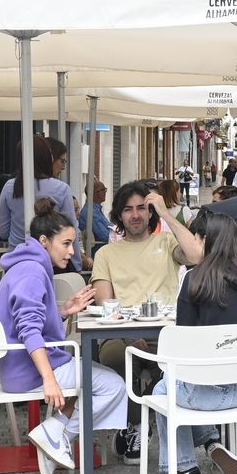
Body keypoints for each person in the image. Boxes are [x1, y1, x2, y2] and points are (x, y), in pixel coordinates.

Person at [0, 197, 127, 474]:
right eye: (66, 243)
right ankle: (56, 435)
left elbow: (28, 322)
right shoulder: (31, 272)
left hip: (18, 366)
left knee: (91, 375)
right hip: (28, 371)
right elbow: (29, 330)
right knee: (113, 385)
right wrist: (49, 379)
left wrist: (63, 312)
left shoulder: (27, 266)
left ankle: (55, 436)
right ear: (44, 241)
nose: (72, 251)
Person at [145, 211, 237, 474]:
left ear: (205, 240)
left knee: (164, 387)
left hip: (204, 395)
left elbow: (182, 347)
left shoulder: (194, 280)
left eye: (196, 238)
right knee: (177, 384)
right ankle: (213, 443)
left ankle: (184, 470)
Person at [91, 182, 207, 459]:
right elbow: (104, 303)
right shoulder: (106, 253)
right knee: (116, 360)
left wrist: (166, 214)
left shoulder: (166, 242)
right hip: (120, 334)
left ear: (150, 211)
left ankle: (168, 425)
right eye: (128, 209)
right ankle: (137, 425)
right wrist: (128, 336)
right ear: (119, 215)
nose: (135, 215)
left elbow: (196, 255)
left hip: (165, 335)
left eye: (142, 208)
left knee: (173, 367)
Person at [0, 137, 80, 258]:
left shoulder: (9, 187)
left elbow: (4, 232)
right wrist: (77, 264)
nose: (63, 167)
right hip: (49, 259)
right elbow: (71, 232)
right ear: (48, 158)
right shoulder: (61, 189)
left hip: (16, 259)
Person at [80, 180, 111, 256]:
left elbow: (109, 226)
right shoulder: (90, 212)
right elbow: (104, 236)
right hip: (99, 250)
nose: (105, 192)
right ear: (95, 193)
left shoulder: (95, 209)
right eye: (103, 190)